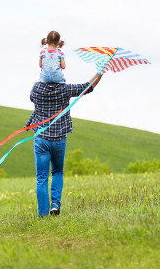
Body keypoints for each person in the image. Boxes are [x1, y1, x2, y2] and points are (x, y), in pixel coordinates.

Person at [25, 72, 102, 217]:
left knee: (41, 177)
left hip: (41, 139)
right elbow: (87, 87)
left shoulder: (36, 89)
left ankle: (43, 215)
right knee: (57, 172)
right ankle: (55, 204)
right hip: (59, 139)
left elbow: (31, 98)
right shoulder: (65, 89)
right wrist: (100, 73)